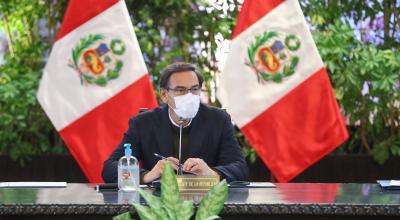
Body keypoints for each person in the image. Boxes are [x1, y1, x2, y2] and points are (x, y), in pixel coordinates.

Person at [102, 62, 248, 183]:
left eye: (195, 89)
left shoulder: (218, 120)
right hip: (159, 204)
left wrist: (211, 174)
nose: (189, 96)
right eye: (181, 90)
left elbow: (240, 168)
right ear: (164, 95)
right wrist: (148, 175)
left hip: (206, 204)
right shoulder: (142, 123)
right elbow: (109, 169)